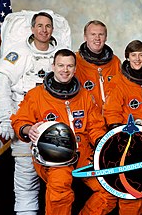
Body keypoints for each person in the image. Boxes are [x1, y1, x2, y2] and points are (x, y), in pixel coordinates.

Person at [10, 49, 117, 215]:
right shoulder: (36, 95)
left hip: (83, 152)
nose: (65, 70)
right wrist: (28, 129)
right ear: (53, 66)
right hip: (53, 155)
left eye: (69, 66)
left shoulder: (85, 96)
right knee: (59, 189)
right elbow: (19, 121)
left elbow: (95, 126)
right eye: (60, 65)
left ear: (75, 69)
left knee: (110, 189)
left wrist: (102, 145)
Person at [0, 11, 70, 215]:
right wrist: (6, 118)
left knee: (58, 182)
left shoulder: (61, 55)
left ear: (53, 29)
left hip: (55, 125)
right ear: (32, 28)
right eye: (40, 26)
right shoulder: (18, 53)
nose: (44, 30)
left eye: (48, 26)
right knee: (26, 183)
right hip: (25, 122)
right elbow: (0, 82)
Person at [103, 40, 142, 214]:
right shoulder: (119, 82)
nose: (137, 59)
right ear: (127, 57)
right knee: (131, 190)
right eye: (133, 55)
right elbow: (112, 112)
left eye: (141, 55)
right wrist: (120, 139)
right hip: (131, 144)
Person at [75, 20, 121, 112]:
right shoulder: (75, 61)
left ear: (106, 37)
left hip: (112, 116)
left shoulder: (115, 62)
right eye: (93, 34)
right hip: (88, 117)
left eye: (101, 34)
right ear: (85, 37)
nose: (97, 38)